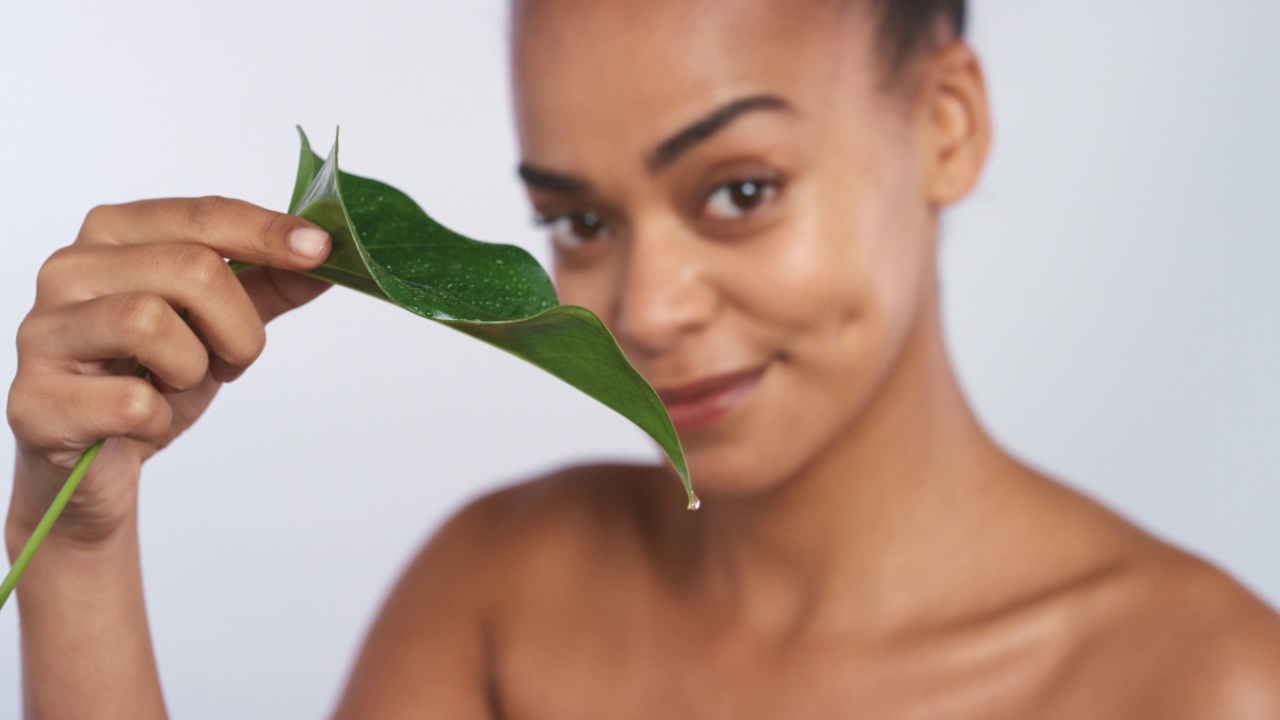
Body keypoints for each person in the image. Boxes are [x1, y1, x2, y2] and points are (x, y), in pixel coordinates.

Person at [7, 0, 1280, 716]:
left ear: (946, 125)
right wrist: (75, 546)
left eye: (737, 190)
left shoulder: (1199, 683)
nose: (650, 309)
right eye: (579, 221)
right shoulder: (500, 594)